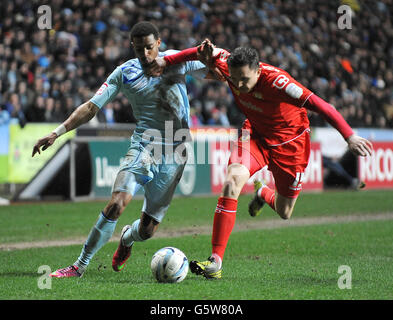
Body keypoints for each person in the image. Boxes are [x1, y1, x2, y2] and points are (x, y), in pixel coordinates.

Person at [147, 39, 373, 279]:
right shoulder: (227, 66)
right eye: (234, 79)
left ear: (258, 70)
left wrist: (349, 136)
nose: (239, 84)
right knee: (232, 181)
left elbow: (323, 105)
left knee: (285, 211)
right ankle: (215, 261)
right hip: (254, 134)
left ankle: (263, 193)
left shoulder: (279, 82)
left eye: (245, 79)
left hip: (290, 144)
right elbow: (203, 52)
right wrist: (164, 60)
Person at [31, 21, 210, 278]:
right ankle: (79, 265)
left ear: (159, 43)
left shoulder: (176, 61)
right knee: (117, 203)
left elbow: (216, 71)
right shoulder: (124, 73)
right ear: (132, 47)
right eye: (140, 49)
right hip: (144, 146)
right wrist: (56, 133)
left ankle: (127, 237)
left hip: (176, 150)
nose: (146, 55)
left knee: (147, 231)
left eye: (149, 47)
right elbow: (92, 107)